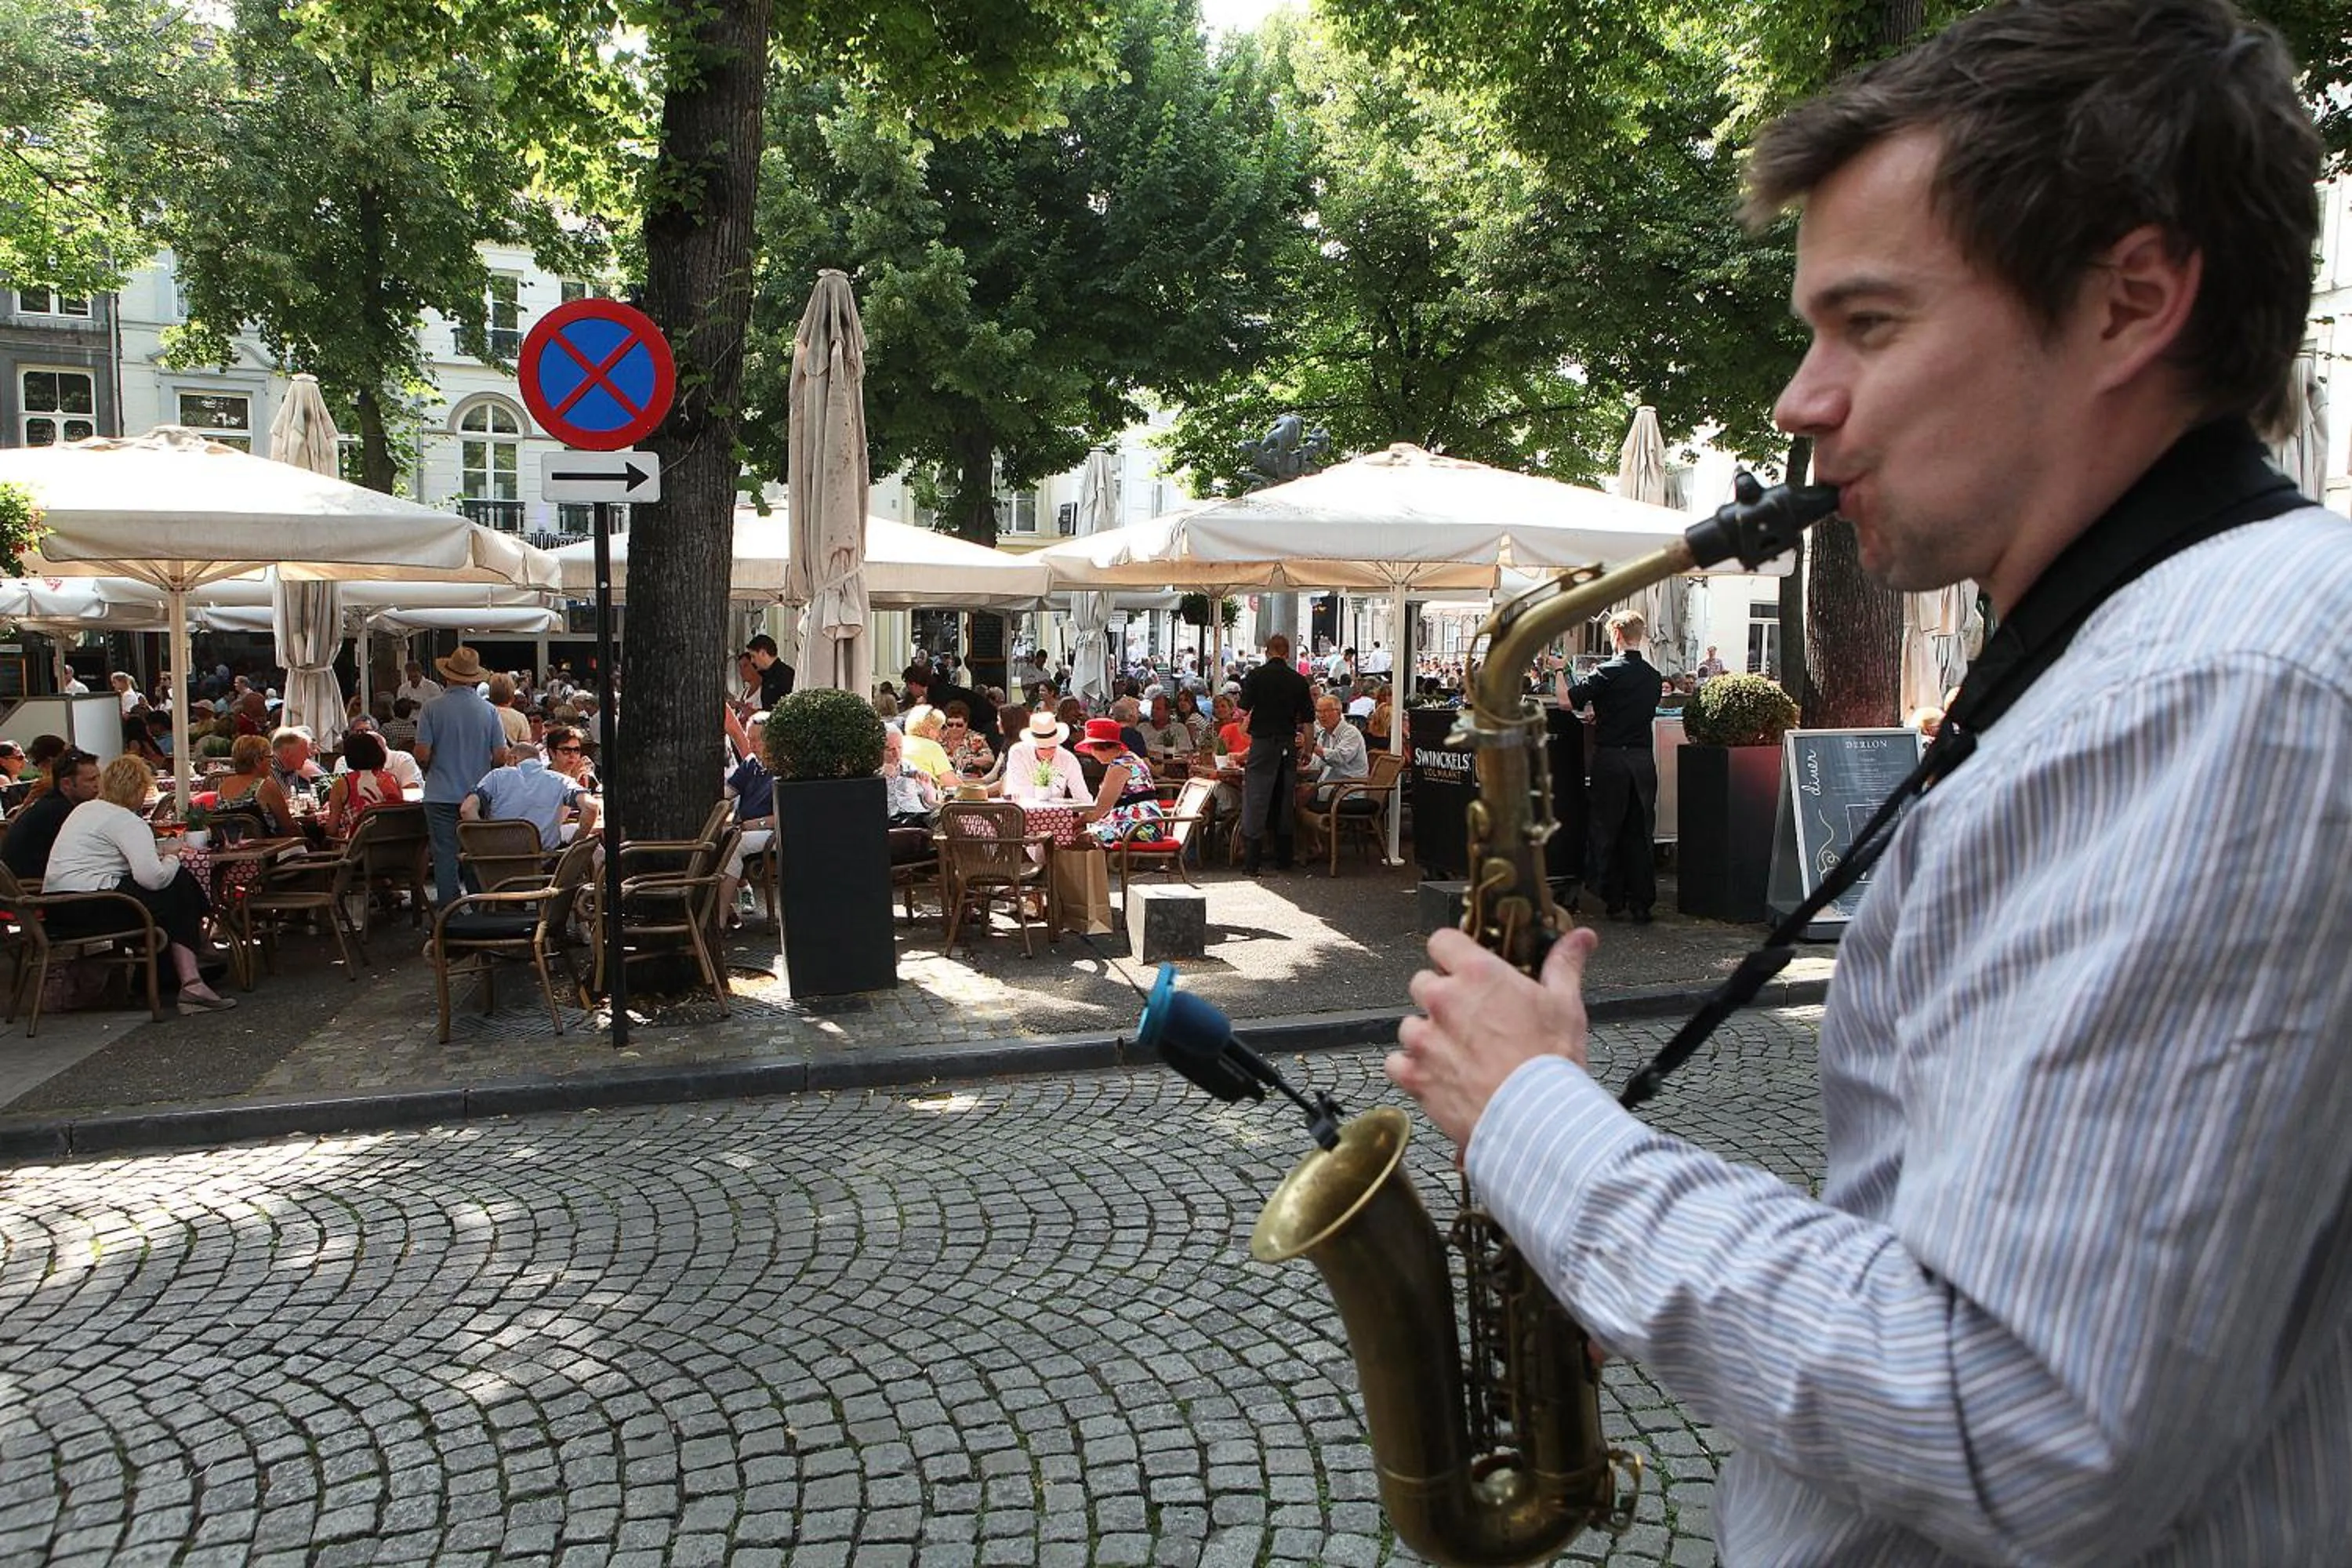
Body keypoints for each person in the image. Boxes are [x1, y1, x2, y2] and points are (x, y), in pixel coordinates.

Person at [1388, 5, 2350, 1563]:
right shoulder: (2143, 650)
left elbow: (2019, 1421)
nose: (1797, 398)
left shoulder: (2214, 684)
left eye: (1870, 323)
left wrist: (1545, 1132)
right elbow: (1972, 1251)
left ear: (2133, 299)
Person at [42, 755, 234, 1011]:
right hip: (93, 906)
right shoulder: (127, 821)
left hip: (58, 907)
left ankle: (191, 969)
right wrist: (172, 856)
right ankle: (193, 972)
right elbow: (152, 879)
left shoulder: (85, 810)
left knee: (175, 887)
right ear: (139, 790)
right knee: (176, 883)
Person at [1558, 609, 1663, 922]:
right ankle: (1641, 901)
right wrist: (1602, 713)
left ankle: (1611, 895)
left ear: (1616, 634)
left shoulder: (1608, 671)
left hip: (1612, 758)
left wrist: (1560, 671)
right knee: (1640, 829)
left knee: (1606, 828)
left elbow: (1566, 701)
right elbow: (1632, 709)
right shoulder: (1653, 677)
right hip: (1643, 761)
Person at [412, 646, 509, 906]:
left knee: (444, 857)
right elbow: (500, 756)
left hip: (439, 793)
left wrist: (433, 764)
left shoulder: (431, 708)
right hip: (476, 796)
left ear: (448, 675)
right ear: (475, 678)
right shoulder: (489, 711)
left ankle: (449, 916)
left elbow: (421, 753)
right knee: (475, 854)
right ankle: (480, 910)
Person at [1235, 632, 1314, 873]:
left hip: (1262, 743)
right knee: (1284, 797)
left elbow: (1242, 710)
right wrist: (1308, 750)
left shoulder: (1256, 676)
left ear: (1267, 652)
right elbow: (1309, 722)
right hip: (1287, 744)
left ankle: (1252, 862)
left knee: (1257, 797)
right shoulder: (1298, 680)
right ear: (1287, 653)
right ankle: (1284, 859)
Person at [462, 743, 597, 851]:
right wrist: (575, 844)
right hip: (544, 864)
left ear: (512, 759)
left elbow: (466, 809)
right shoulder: (560, 781)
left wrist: (484, 845)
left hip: (497, 865)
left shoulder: (496, 777)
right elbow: (591, 807)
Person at [2, 749, 100, 878]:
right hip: (36, 889)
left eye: (99, 777)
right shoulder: (59, 812)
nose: (98, 785)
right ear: (66, 784)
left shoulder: (51, 804)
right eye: (91, 780)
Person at [1072, 717, 1165, 845]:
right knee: (1085, 833)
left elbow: (1098, 811)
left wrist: (1072, 825)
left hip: (1141, 828)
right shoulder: (1130, 757)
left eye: (1091, 748)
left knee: (1081, 839)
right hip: (1141, 823)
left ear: (1102, 747)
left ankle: (1095, 866)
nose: (1091, 753)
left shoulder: (1120, 767)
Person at [320, 729, 405, 839]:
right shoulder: (391, 779)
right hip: (391, 845)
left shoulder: (342, 784)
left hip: (358, 849)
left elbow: (332, 829)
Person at [993, 710, 1087, 805]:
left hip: (1056, 815)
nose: (1048, 752)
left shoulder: (1068, 759)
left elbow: (1083, 797)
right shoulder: (1018, 753)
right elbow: (1022, 794)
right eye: (1042, 748)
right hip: (1021, 812)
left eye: (1052, 747)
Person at [901, 662, 995, 755]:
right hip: (981, 720)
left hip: (984, 722)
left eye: (908, 686)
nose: (909, 690)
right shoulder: (937, 690)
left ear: (914, 684)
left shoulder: (939, 695)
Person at [1297, 694, 1370, 811]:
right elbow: (1317, 765)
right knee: (1292, 790)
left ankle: (1293, 827)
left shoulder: (1351, 733)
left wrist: (1311, 745)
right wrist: (1301, 767)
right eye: (1319, 711)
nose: (1321, 716)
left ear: (1339, 712)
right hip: (1328, 787)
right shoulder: (1323, 734)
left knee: (1300, 794)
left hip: (1347, 791)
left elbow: (1339, 758)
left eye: (1326, 711)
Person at [212, 734, 294, 837]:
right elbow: (289, 827)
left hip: (234, 846)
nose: (272, 762)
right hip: (271, 847)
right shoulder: (265, 786)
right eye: (270, 757)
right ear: (258, 761)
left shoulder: (223, 786)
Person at [937, 701, 995, 779]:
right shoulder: (938, 737)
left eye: (959, 725)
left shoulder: (975, 738)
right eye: (950, 725)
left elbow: (990, 760)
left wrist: (970, 761)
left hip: (969, 782)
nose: (954, 728)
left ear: (966, 723)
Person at [745, 633, 795, 709]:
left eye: (753, 656)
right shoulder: (765, 675)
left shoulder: (785, 674)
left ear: (763, 653)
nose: (752, 661)